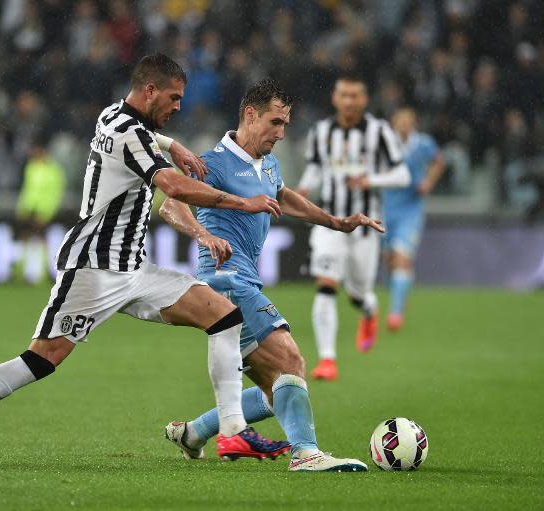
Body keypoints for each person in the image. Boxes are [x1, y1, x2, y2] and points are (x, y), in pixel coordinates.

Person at [0, 54, 289, 467]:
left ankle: (233, 432)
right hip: (93, 268)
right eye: (173, 97)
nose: (178, 106)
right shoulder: (133, 136)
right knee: (41, 359)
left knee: (224, 316)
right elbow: (172, 187)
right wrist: (243, 202)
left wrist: (174, 144)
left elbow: (145, 138)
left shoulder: (114, 114)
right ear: (149, 91)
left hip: (135, 269)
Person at [159, 78, 383, 472]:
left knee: (272, 387)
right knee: (289, 360)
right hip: (225, 279)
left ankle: (193, 432)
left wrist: (336, 222)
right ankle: (306, 453)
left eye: (285, 125)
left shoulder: (268, 162)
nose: (281, 133)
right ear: (250, 114)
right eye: (275, 123)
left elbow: (284, 195)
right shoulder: (213, 162)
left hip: (245, 278)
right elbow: (170, 206)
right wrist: (204, 233)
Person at [296, 74, 410, 381]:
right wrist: (304, 189)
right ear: (335, 98)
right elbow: (316, 168)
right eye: (343, 95)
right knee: (326, 284)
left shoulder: (380, 131)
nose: (348, 101)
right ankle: (327, 360)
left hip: (366, 225)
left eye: (355, 95)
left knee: (358, 292)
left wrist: (370, 180)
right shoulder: (321, 132)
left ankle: (369, 308)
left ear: (364, 99)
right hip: (329, 221)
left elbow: (402, 176)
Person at [382, 107, 445, 330]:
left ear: (414, 123)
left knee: (401, 258)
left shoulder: (423, 143)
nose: (404, 124)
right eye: (400, 120)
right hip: (386, 208)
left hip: (411, 209)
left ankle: (395, 313)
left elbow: (439, 161)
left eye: (408, 120)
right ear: (393, 123)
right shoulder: (386, 143)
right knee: (389, 260)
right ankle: (401, 292)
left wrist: (429, 182)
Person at [14, 135, 67, 284]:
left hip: (44, 211)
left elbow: (55, 194)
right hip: (30, 209)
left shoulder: (54, 170)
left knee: (42, 240)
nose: (34, 153)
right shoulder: (31, 166)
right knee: (24, 237)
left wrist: (46, 213)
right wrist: (22, 208)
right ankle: (21, 270)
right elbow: (27, 189)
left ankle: (43, 272)